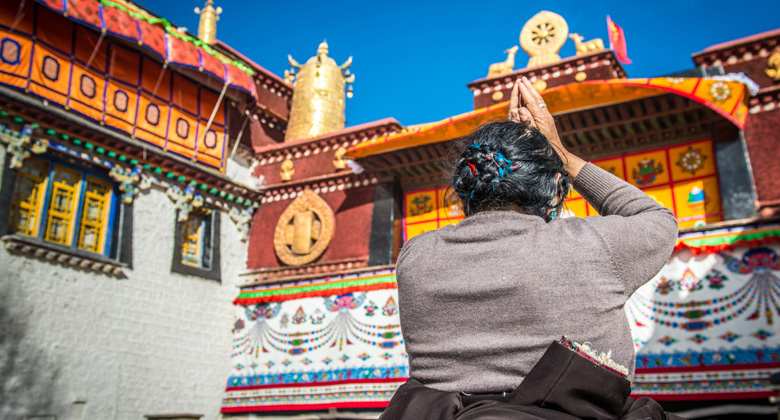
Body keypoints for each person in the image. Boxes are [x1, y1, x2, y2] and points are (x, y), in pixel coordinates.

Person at [381, 77, 680, 419]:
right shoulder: (592, 244)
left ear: (465, 190)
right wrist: (564, 156)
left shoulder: (416, 255)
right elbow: (656, 217)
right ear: (555, 188)